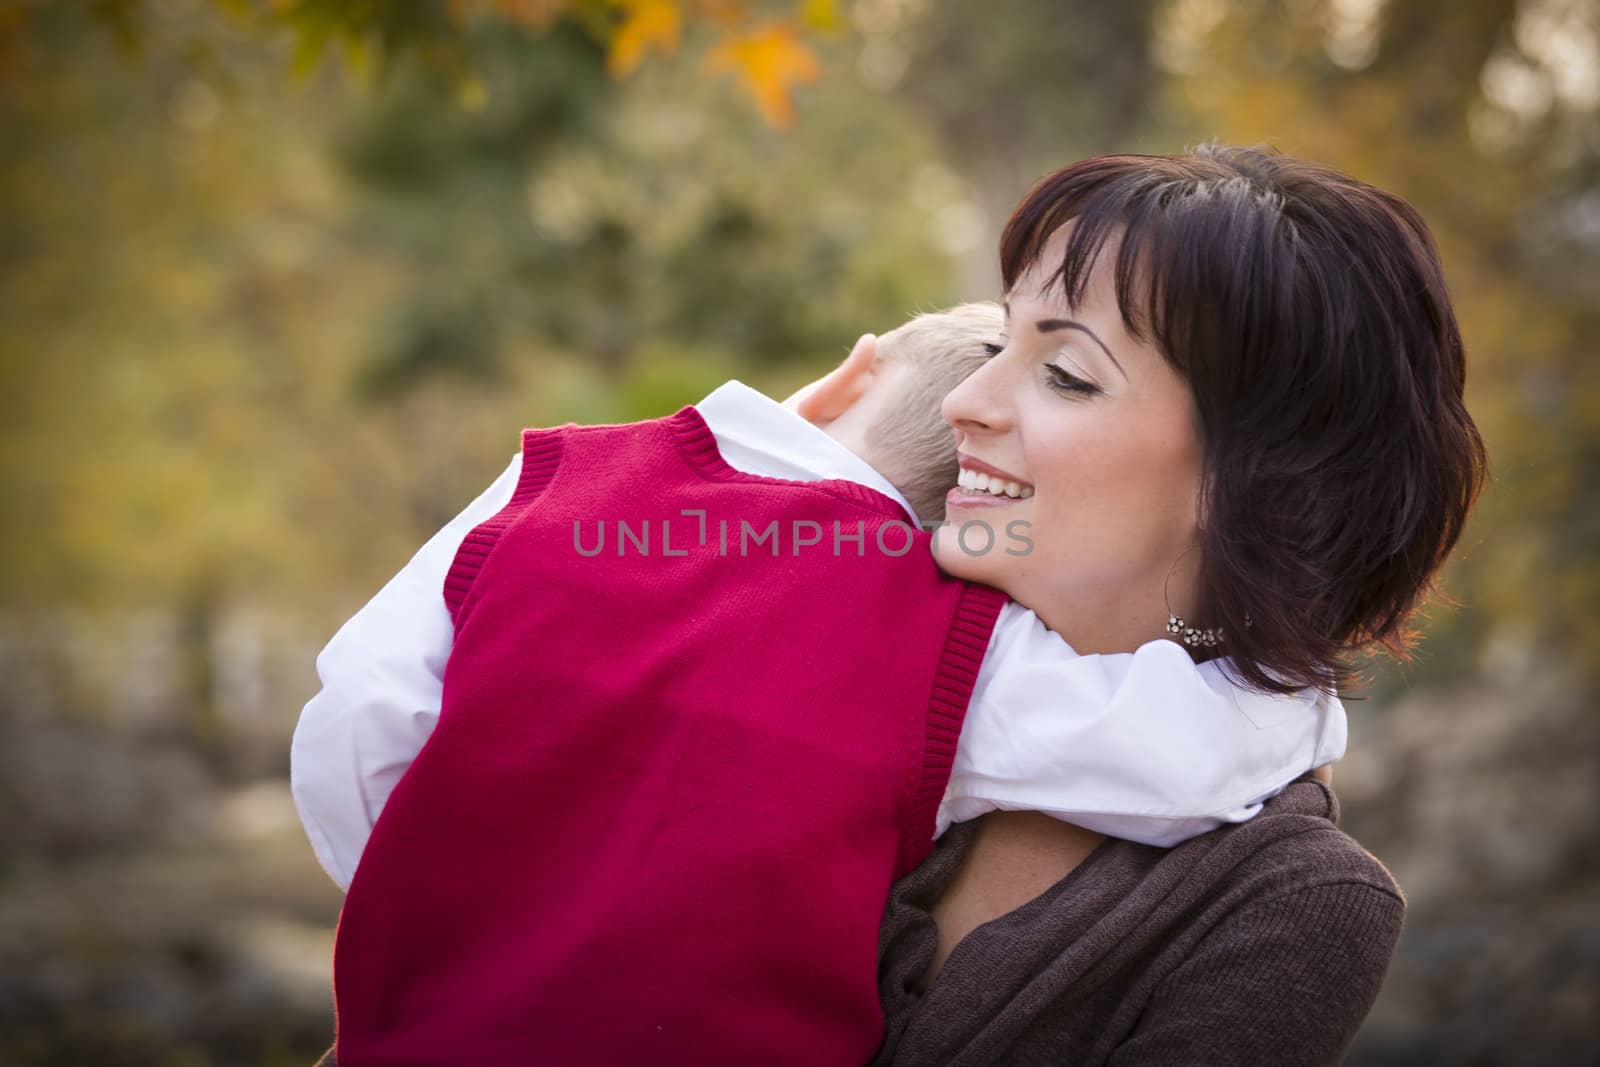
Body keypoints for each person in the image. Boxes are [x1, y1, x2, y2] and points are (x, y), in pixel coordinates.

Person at [293, 304, 1344, 1065]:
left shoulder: (555, 477)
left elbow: (358, 708)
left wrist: (442, 896)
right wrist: (1305, 698)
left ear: (848, 375)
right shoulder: (940, 631)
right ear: (954, 524)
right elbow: (1166, 758)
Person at [866, 144, 1487, 1065]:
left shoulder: (1288, 902)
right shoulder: (843, 648)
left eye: (1067, 374)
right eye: (1002, 344)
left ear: (1250, 483)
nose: (965, 401)